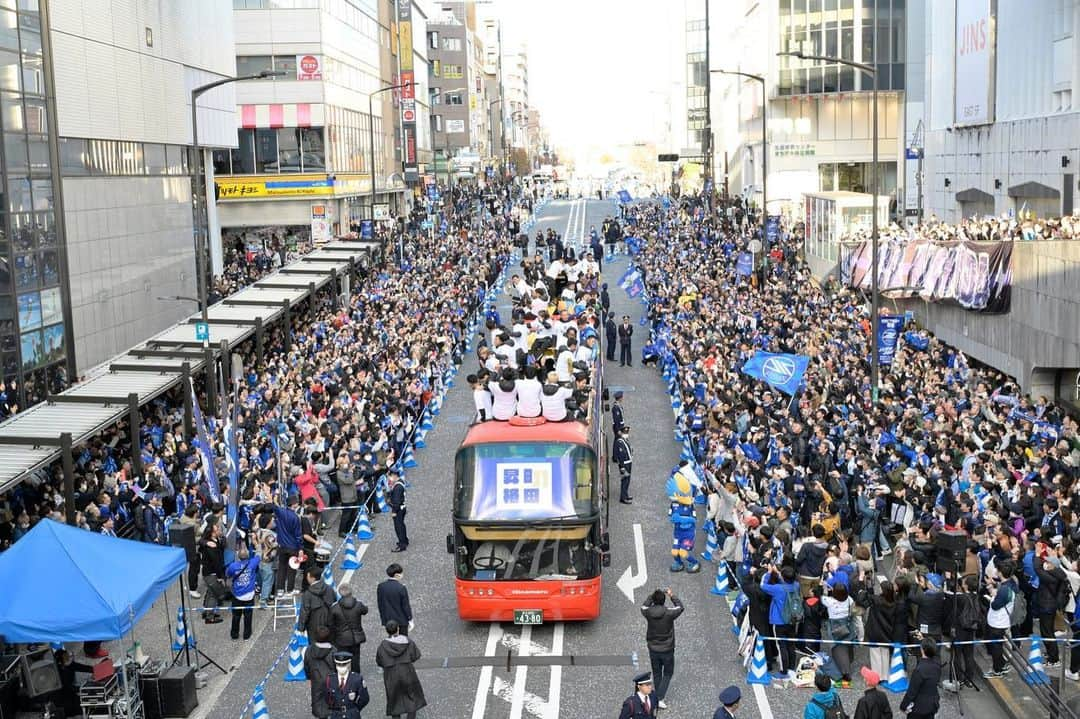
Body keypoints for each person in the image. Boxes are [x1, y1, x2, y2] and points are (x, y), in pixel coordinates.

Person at [640, 588, 683, 710]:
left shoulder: (648, 612)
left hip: (653, 648)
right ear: (664, 601)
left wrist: (651, 596)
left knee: (657, 672)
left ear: (653, 600)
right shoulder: (669, 613)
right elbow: (680, 607)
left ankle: (658, 698)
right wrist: (672, 595)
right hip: (667, 649)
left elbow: (643, 606)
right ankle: (659, 697)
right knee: (668, 673)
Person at [375, 620, 427, 719]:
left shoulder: (382, 646)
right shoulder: (407, 641)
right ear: (398, 629)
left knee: (394, 700)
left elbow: (379, 661)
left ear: (387, 631)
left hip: (391, 675)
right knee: (412, 698)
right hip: (407, 672)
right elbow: (416, 655)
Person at [330, 585, 369, 673]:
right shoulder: (358, 604)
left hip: (341, 638)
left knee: (343, 659)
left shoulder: (335, 607)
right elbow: (365, 610)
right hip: (356, 637)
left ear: (340, 594)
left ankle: (343, 676)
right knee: (355, 658)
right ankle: (356, 676)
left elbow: (331, 624)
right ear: (351, 592)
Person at [900, 638, 942, 719]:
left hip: (918, 709)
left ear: (922, 650)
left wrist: (903, 705)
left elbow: (912, 692)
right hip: (932, 705)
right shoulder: (937, 666)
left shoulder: (919, 670)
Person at [225, 544, 260, 640]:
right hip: (249, 595)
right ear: (248, 556)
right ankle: (246, 635)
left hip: (237, 596)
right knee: (248, 616)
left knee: (236, 616)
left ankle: (234, 634)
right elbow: (259, 554)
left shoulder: (233, 566)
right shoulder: (252, 563)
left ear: (238, 556)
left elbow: (228, 574)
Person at [325, 651, 370, 719]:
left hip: (352, 715)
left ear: (349, 664)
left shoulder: (356, 679)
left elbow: (364, 698)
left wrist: (355, 709)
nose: (341, 667)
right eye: (338, 664)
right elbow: (327, 698)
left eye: (344, 664)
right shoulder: (331, 679)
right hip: (336, 715)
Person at [305, 626, 337, 719]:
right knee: (332, 700)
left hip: (316, 678)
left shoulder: (309, 650)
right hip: (331, 679)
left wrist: (309, 677)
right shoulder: (333, 651)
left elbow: (306, 666)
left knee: (317, 700)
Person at [198, 522, 226, 623]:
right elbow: (216, 562)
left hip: (209, 572)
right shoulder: (211, 546)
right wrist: (219, 576)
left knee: (210, 592)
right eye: (218, 529)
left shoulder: (216, 540)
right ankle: (210, 616)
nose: (220, 530)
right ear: (213, 533)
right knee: (214, 595)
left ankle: (206, 612)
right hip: (211, 573)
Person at [300, 566, 338, 641]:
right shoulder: (329, 589)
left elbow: (304, 612)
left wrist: (301, 628)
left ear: (312, 578)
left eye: (308, 576)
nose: (307, 578)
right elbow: (335, 602)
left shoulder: (307, 594)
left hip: (314, 625)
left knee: (315, 647)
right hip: (329, 622)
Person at [377, 563, 413, 635]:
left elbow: (380, 604)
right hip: (401, 620)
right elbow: (405, 606)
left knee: (392, 640)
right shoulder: (401, 588)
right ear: (397, 575)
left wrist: (383, 619)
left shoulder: (381, 586)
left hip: (388, 620)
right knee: (403, 640)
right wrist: (410, 618)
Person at [387, 472, 409, 552]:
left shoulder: (397, 487)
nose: (389, 479)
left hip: (398, 509)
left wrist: (394, 511)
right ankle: (405, 540)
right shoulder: (401, 483)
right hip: (402, 508)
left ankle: (402, 544)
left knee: (398, 527)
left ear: (394, 476)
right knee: (402, 525)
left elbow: (396, 501)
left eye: (389, 477)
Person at [614, 425, 634, 504]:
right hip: (624, 464)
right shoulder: (619, 442)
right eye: (625, 432)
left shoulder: (625, 440)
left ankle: (625, 494)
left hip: (628, 462)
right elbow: (620, 455)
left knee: (627, 480)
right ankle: (623, 497)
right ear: (621, 433)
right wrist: (621, 467)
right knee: (625, 480)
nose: (626, 434)